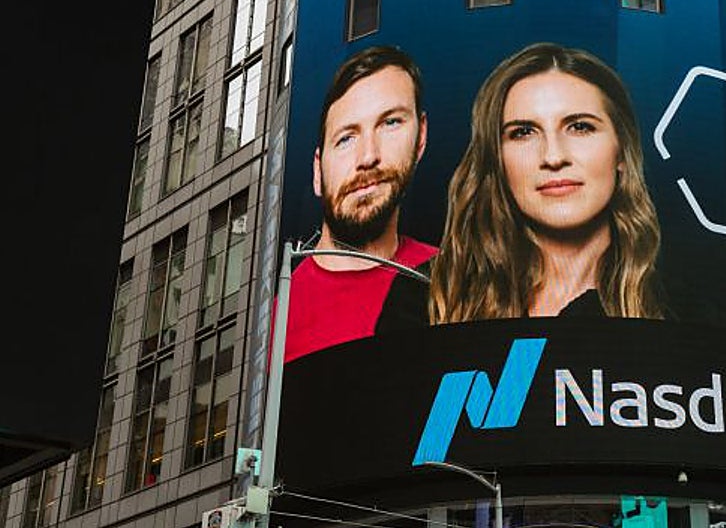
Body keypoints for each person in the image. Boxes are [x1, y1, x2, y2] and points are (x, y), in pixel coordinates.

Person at [428, 43, 664, 322]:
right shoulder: (427, 295)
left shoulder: (691, 305)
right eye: (523, 132)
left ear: (621, 151)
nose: (553, 157)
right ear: (496, 160)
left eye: (580, 127)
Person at [285, 45, 438, 362]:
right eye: (346, 138)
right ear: (318, 171)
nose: (368, 156)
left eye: (391, 123)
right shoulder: (272, 322)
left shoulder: (458, 279)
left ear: (420, 137)